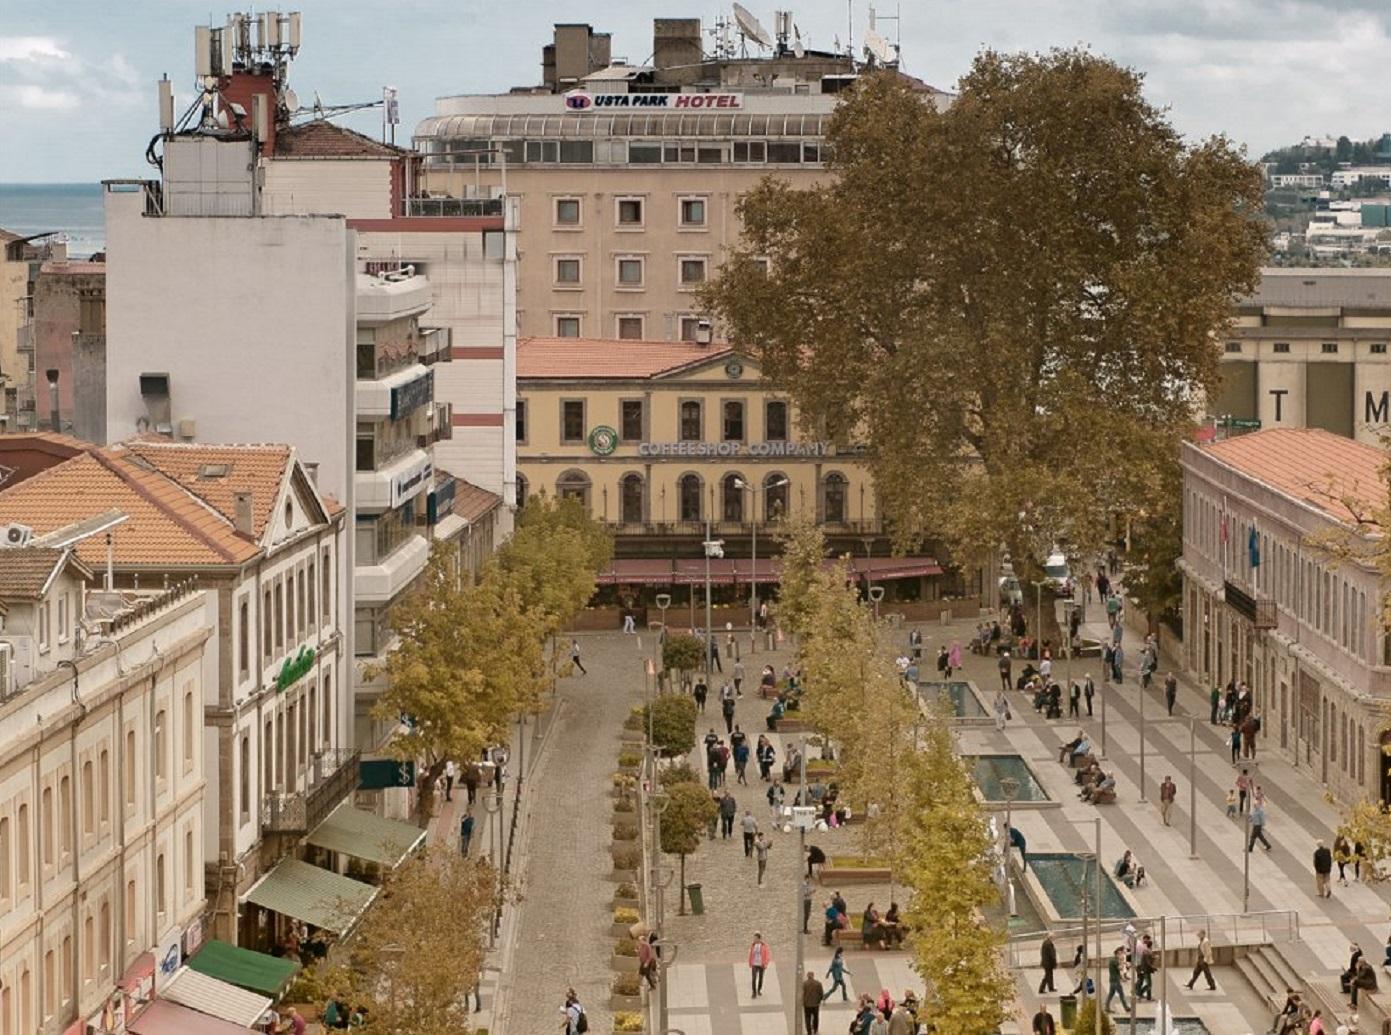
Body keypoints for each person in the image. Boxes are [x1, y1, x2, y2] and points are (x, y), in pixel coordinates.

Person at [1106, 946, 1130, 1013]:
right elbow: (1120, 968)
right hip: (1116, 981)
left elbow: (1117, 971)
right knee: (1121, 995)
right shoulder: (1115, 960)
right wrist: (1125, 964)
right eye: (1120, 953)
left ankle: (1106, 1007)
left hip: (1112, 980)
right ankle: (1126, 1008)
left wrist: (1121, 978)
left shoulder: (1112, 960)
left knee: (1110, 994)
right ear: (1117, 953)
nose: (1121, 955)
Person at [748, 933, 771, 998]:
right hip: (754, 964)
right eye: (754, 938)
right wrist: (750, 962)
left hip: (761, 964)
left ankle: (759, 990)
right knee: (754, 978)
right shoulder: (753, 945)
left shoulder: (764, 946)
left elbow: (767, 955)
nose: (754, 939)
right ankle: (754, 992)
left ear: (759, 939)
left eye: (755, 938)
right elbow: (751, 954)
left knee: (761, 978)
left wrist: (766, 963)